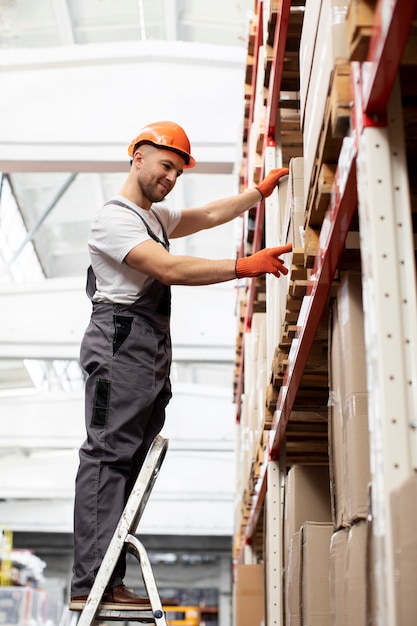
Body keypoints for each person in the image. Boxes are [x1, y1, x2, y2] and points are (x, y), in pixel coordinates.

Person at [69, 120, 291, 611]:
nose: (170, 178)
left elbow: (209, 214)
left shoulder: (154, 217)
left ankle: (108, 578)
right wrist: (241, 267)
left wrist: (257, 193)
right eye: (165, 166)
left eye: (177, 172)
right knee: (107, 458)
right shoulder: (115, 219)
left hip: (146, 351)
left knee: (129, 464)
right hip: (119, 344)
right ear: (138, 157)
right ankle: (89, 582)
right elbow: (168, 269)